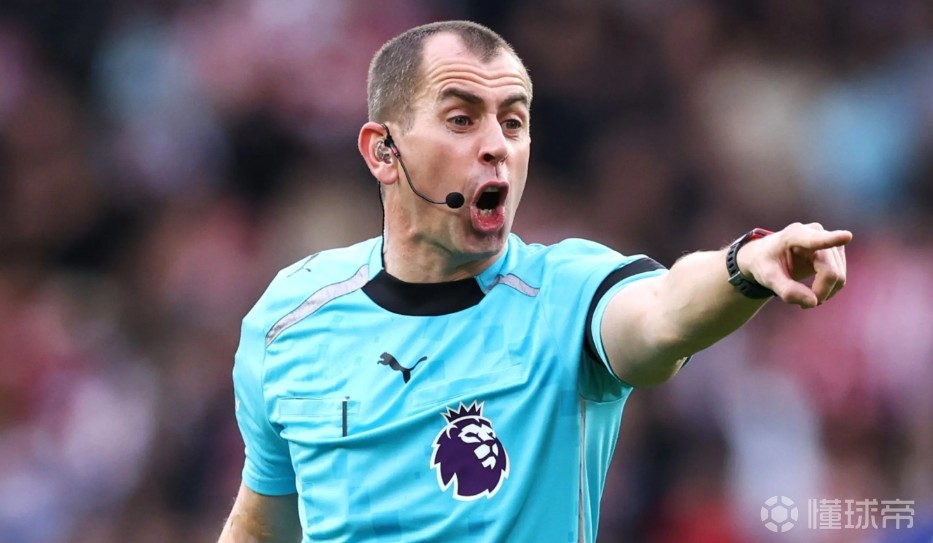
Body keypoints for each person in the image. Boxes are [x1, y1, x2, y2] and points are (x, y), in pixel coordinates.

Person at [217, 20, 851, 542]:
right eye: (461, 119)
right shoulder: (288, 319)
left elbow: (664, 312)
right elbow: (263, 525)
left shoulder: (567, 296)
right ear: (384, 151)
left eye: (513, 122)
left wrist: (743, 265)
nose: (497, 145)